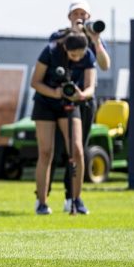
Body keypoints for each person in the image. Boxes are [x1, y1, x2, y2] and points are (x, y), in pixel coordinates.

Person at [49, 0, 111, 213]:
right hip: (58, 101)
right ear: (69, 17)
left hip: (84, 100)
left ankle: (72, 197)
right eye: (76, 13)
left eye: (84, 14)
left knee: (78, 150)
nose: (81, 17)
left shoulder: (95, 38)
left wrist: (95, 40)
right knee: (54, 150)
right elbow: (51, 55)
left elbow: (104, 65)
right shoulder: (59, 36)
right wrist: (72, 35)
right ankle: (43, 196)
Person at [31, 31, 96, 215]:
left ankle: (76, 200)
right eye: (73, 55)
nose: (77, 59)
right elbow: (35, 82)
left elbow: (91, 86)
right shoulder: (50, 51)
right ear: (65, 48)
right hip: (45, 104)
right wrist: (55, 93)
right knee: (46, 152)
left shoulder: (88, 55)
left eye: (80, 55)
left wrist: (82, 95)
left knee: (77, 150)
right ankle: (41, 202)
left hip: (70, 103)